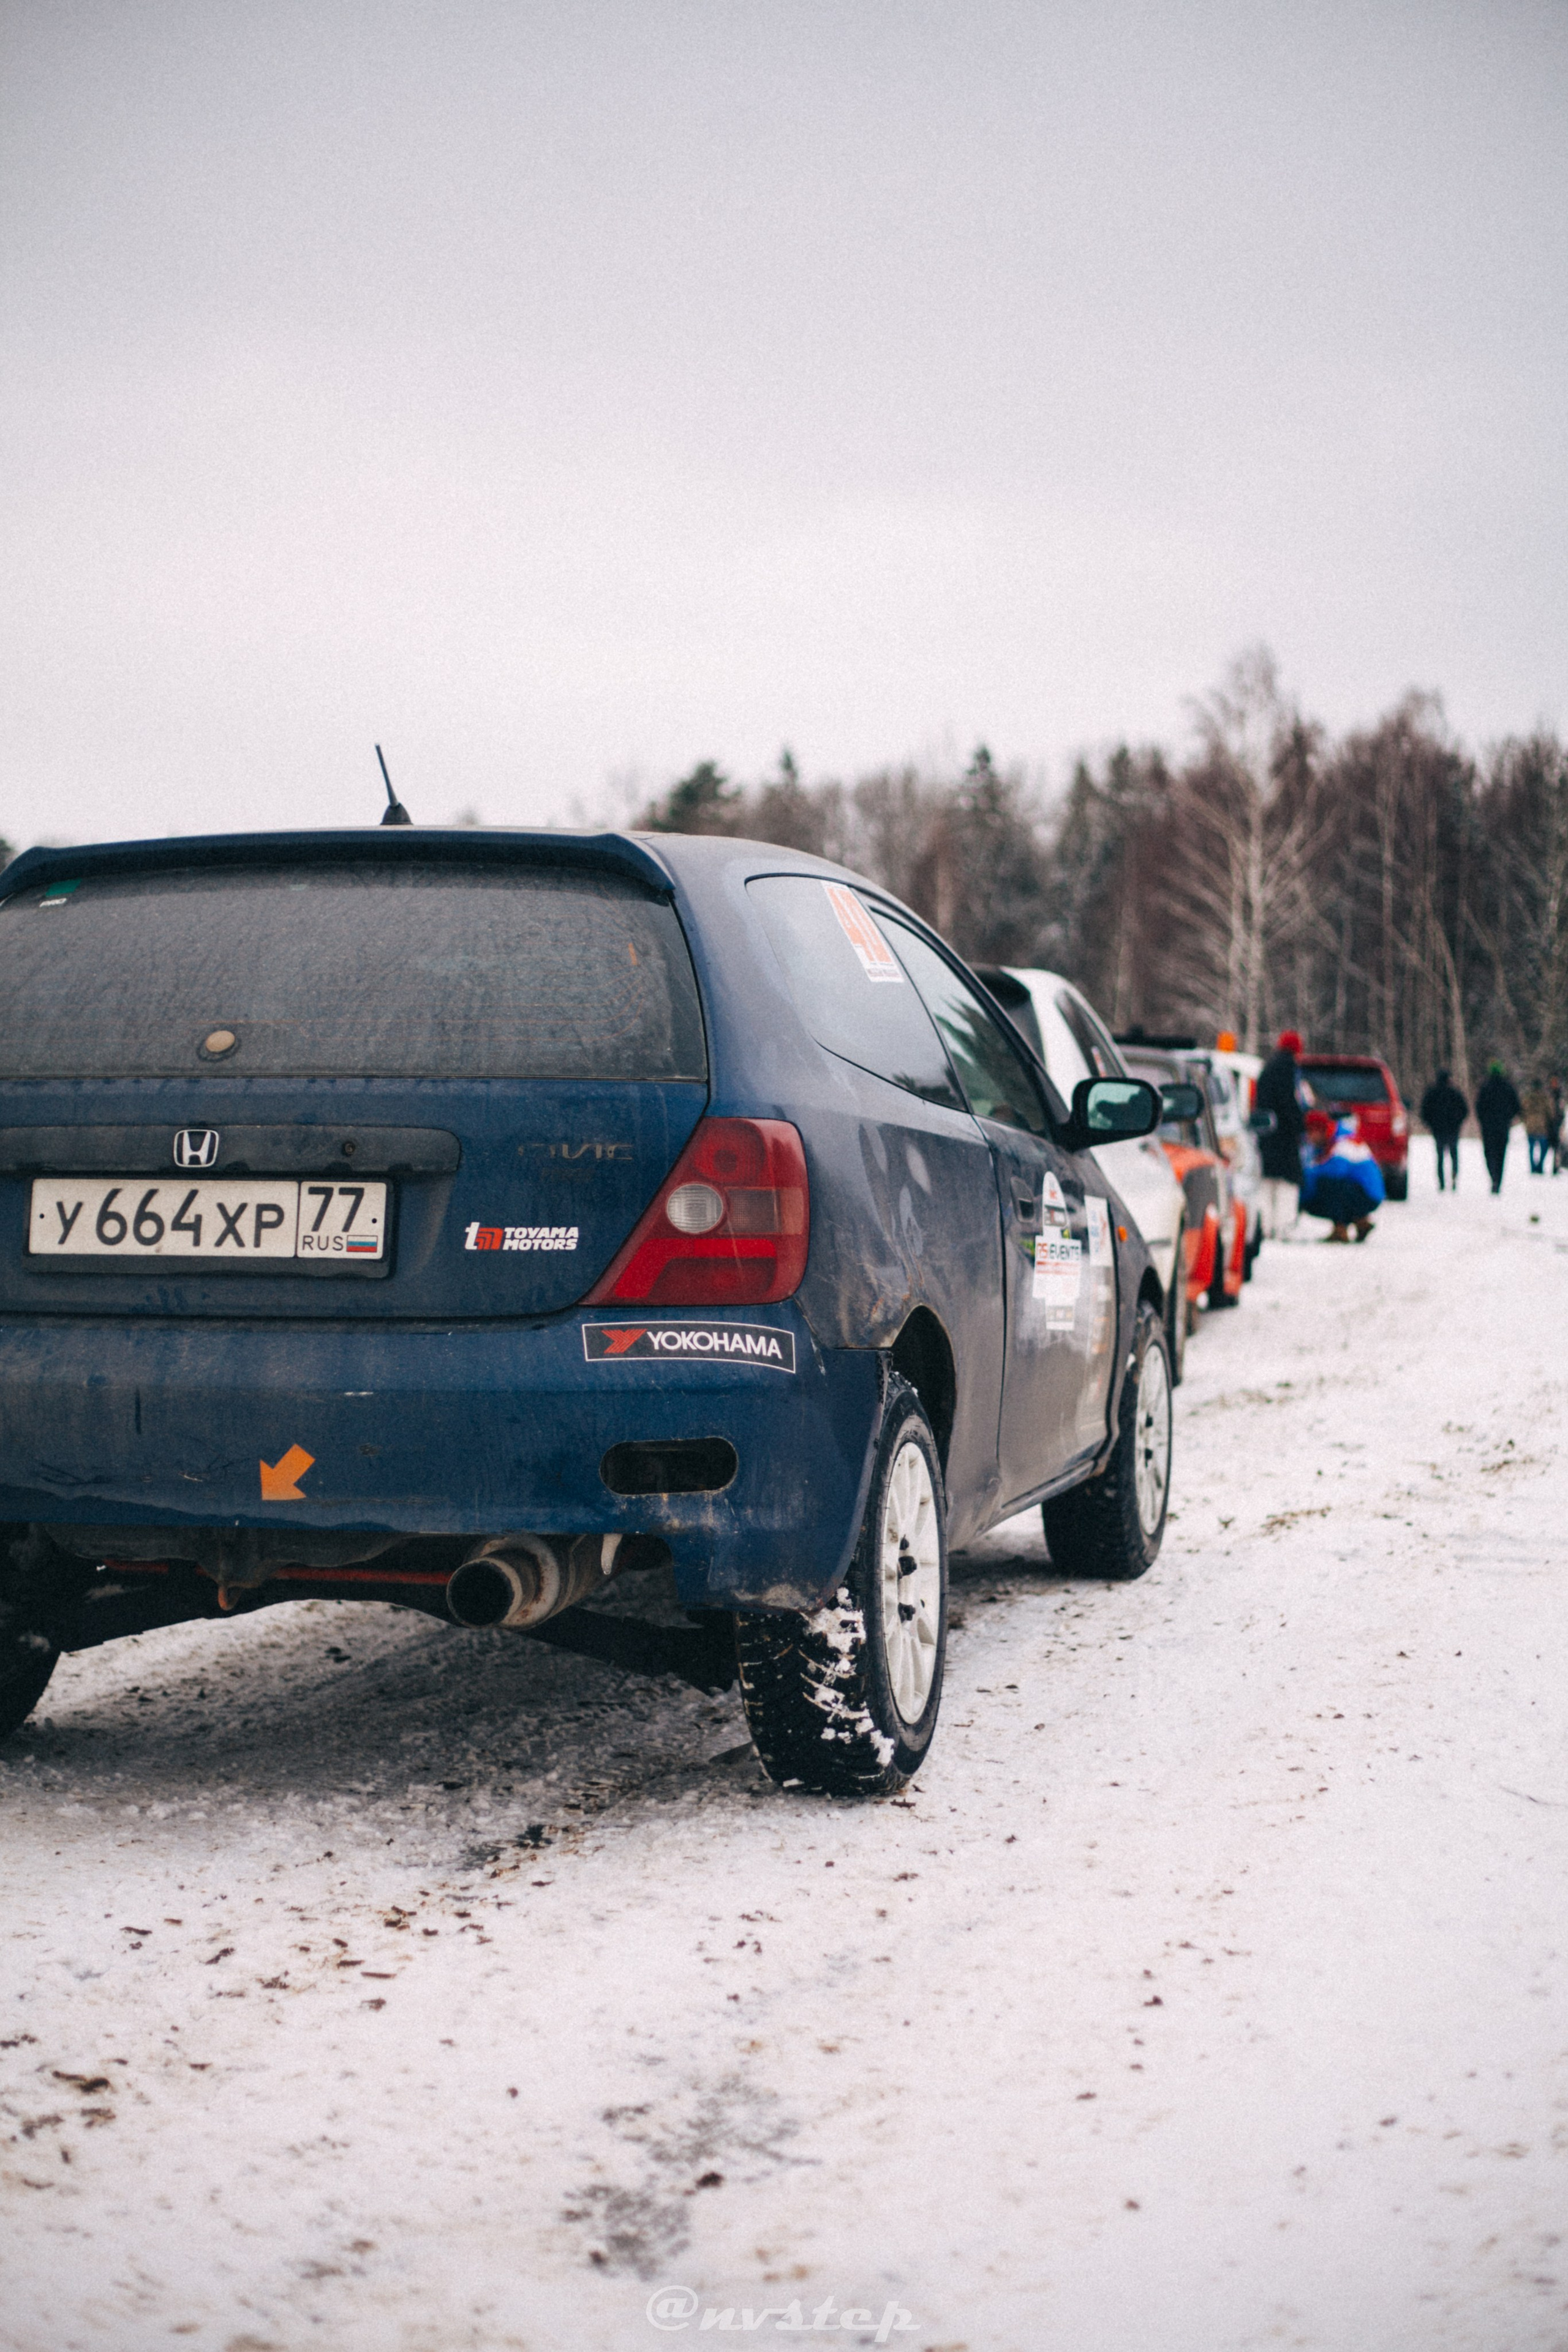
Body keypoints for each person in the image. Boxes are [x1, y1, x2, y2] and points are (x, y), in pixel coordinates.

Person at [1255, 1028, 1308, 1237]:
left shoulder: (1268, 1067)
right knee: (1287, 1185)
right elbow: (1290, 1102)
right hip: (1284, 1138)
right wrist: (1299, 1126)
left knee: (1267, 1184)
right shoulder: (1288, 1068)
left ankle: (1266, 1226)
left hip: (1267, 1135)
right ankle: (1283, 1227)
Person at [1300, 1115, 1385, 1242]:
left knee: (1328, 1184)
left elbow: (1336, 1171)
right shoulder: (1332, 1141)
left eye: (1311, 1133)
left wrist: (1305, 1176)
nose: (1309, 1139)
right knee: (1328, 1186)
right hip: (1362, 1194)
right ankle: (1360, 1221)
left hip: (1368, 1195)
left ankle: (1341, 1228)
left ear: (1320, 1131)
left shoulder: (1345, 1141)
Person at [1475, 1061, 1522, 1194]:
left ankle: (1493, 1177)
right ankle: (1498, 1180)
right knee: (1501, 1154)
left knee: (1489, 1153)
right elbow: (1517, 1107)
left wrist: (1483, 1120)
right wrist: (1509, 1118)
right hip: (1503, 1126)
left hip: (1488, 1128)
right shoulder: (1508, 1087)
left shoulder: (1485, 1087)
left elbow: (1479, 1107)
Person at [1419, 1068, 1468, 1193]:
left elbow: (1424, 1111)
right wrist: (1458, 1123)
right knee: (1453, 1154)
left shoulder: (1432, 1093)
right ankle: (1454, 1177)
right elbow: (1464, 1110)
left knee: (1440, 1156)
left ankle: (1442, 1182)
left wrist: (1431, 1125)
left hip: (1438, 1130)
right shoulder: (1455, 1093)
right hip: (1453, 1130)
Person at [1521, 1077, 1553, 1174]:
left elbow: (1522, 1111)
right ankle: (1539, 1166)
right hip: (1542, 1126)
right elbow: (1549, 1112)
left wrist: (1526, 1122)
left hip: (1531, 1126)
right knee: (1543, 1147)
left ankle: (1533, 1166)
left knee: (1532, 1148)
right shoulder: (1544, 1098)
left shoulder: (1528, 1098)